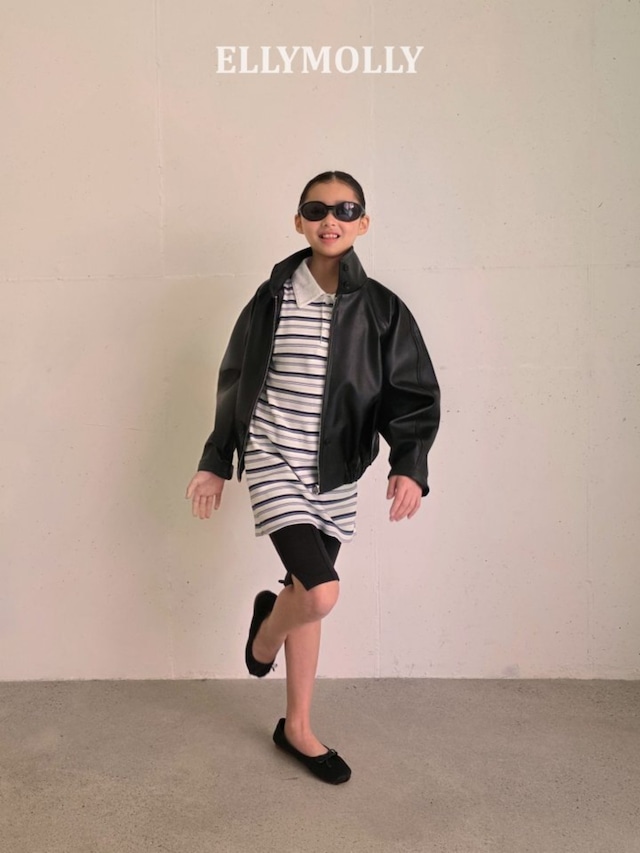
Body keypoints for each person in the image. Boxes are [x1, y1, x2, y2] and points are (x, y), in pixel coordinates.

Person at [186, 170, 440, 785]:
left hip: (336, 470)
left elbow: (411, 392)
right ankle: (264, 640)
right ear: (299, 221)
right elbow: (235, 379)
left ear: (363, 223)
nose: (331, 219)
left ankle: (296, 727)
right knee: (320, 593)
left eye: (346, 209)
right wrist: (217, 459)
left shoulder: (382, 309)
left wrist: (409, 463)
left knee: (305, 595)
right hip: (273, 455)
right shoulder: (271, 298)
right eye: (317, 208)